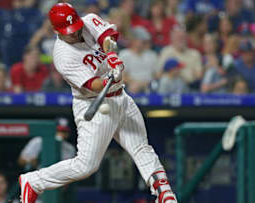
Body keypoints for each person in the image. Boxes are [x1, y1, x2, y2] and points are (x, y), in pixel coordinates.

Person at [18, 3, 177, 203]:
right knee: (86, 166)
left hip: (120, 97)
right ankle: (35, 181)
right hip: (94, 102)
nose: (75, 34)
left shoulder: (88, 20)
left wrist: (110, 55)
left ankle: (163, 192)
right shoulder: (62, 55)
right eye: (69, 32)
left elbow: (107, 37)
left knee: (140, 147)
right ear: (56, 31)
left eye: (76, 28)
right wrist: (111, 76)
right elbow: (93, 85)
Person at [119, 26, 159, 94]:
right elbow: (123, 76)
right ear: (134, 40)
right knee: (134, 87)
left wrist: (146, 83)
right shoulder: (125, 54)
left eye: (145, 41)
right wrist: (137, 83)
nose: (145, 43)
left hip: (149, 85)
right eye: (142, 41)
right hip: (132, 85)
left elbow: (156, 75)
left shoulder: (152, 55)